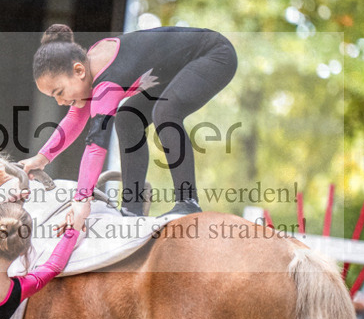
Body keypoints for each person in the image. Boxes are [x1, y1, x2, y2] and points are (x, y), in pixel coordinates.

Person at [19, 24, 237, 224]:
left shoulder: (106, 84)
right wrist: (42, 157)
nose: (60, 102)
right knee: (129, 118)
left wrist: (81, 200)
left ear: (78, 71)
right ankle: (132, 209)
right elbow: (75, 117)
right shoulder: (87, 68)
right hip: (174, 70)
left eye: (59, 92)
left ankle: (188, 202)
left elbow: (96, 146)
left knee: (165, 111)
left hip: (214, 54)